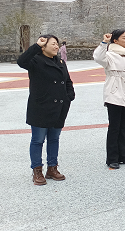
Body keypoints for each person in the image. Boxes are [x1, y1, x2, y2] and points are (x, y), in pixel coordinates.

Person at [18, 34, 75, 185]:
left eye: (57, 44)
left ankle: (52, 168)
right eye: (53, 44)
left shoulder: (60, 62)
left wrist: (69, 96)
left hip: (59, 107)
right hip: (40, 107)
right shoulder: (35, 60)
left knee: (54, 139)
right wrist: (36, 45)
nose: (57, 46)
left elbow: (67, 80)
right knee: (38, 140)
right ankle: (37, 170)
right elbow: (21, 61)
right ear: (44, 47)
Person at [93, 30, 125, 170]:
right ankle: (112, 158)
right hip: (114, 94)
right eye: (123, 38)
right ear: (115, 41)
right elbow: (98, 57)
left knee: (123, 126)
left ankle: (123, 155)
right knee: (114, 127)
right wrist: (104, 43)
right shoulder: (110, 55)